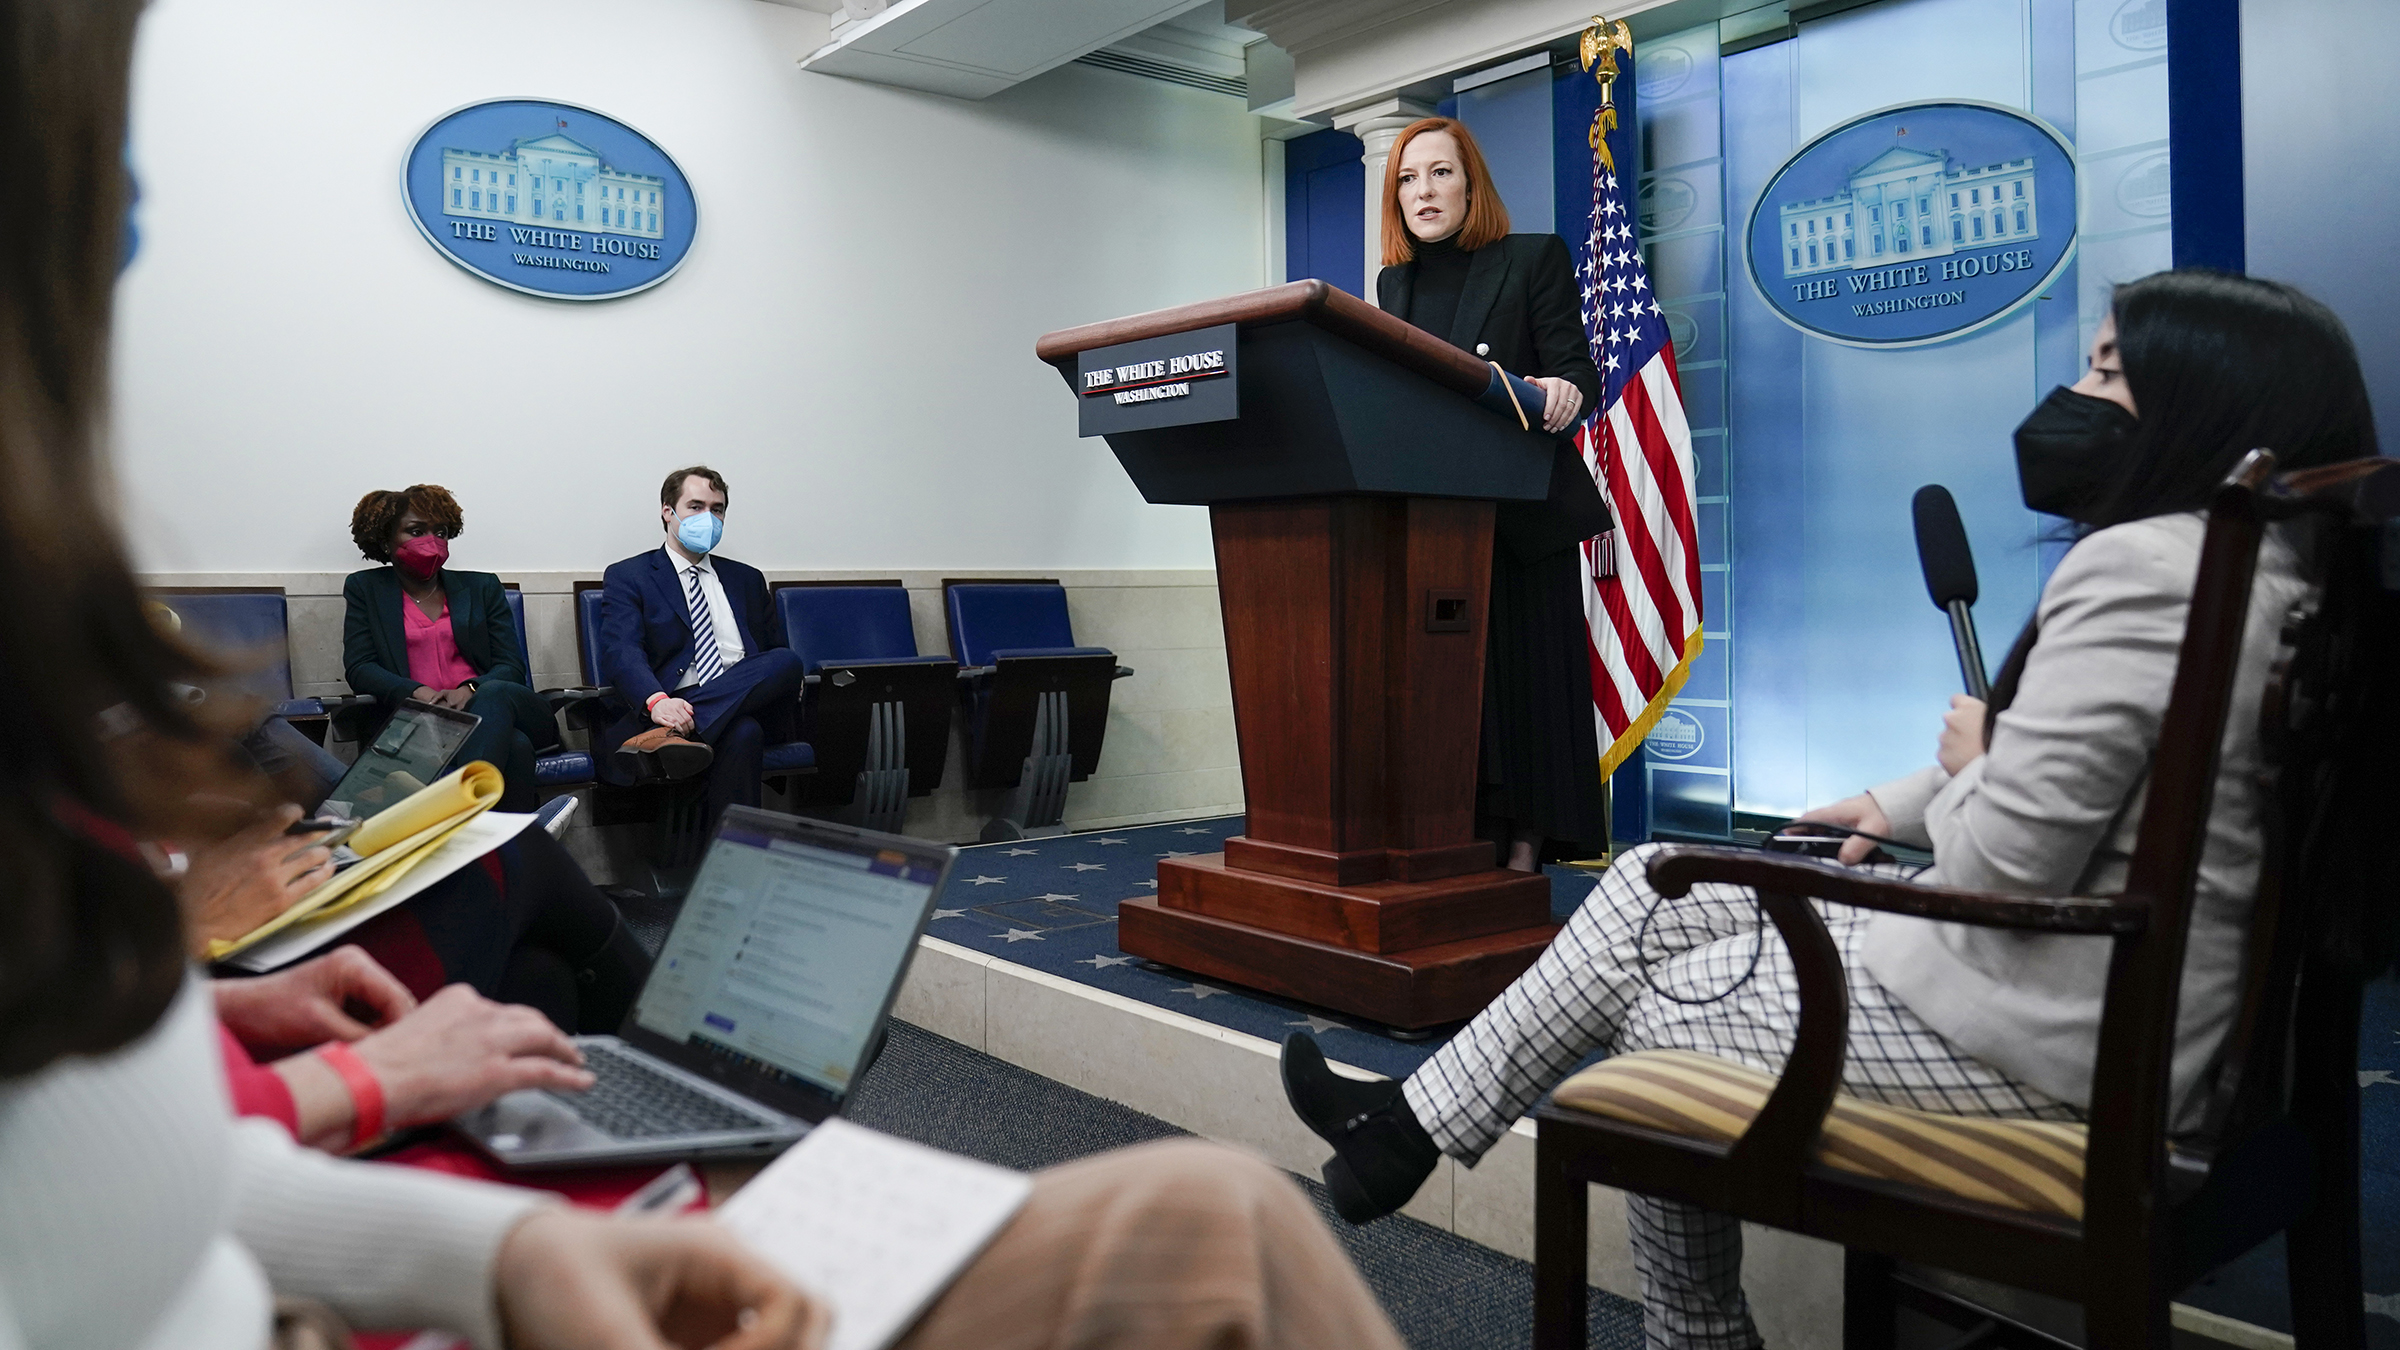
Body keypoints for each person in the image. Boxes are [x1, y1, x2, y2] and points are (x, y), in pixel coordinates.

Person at [3, 8, 1410, 1347]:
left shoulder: (736, 581)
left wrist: (440, 1197)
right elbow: (596, 675)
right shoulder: (604, 581)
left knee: (746, 700)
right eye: (101, 157)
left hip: (379, 1189)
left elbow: (105, 1194)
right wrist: (362, 1103)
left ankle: (687, 982)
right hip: (606, 763)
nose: (131, 207)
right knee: (1219, 1224)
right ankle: (679, 985)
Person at [1282, 269, 2377, 1349]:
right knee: (1656, 876)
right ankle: (1408, 1126)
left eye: (2105, 372)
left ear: (2203, 404)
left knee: (1655, 1019)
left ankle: (1688, 1330)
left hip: (2065, 1034)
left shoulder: (2143, 571)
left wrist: (1983, 753)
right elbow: (2109, 781)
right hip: (2142, 1003)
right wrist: (1886, 800)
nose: (2075, 396)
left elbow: (2002, 862)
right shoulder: (2275, 568)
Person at [1376, 116, 1612, 870]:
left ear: (1471, 184)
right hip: (1436, 517)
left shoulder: (1532, 257)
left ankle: (1526, 845)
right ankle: (1462, 831)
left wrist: (1561, 390)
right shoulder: (1393, 283)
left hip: (1519, 514)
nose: (1424, 192)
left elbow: (1580, 370)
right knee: (1461, 687)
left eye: (1440, 173)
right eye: (1408, 180)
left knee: (1528, 683)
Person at [595, 466, 807, 834]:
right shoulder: (630, 575)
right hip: (671, 702)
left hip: (743, 695)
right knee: (742, 733)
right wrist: (657, 701)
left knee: (786, 661)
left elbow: (772, 656)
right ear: (667, 512)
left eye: (717, 508)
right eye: (695, 506)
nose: (708, 517)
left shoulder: (747, 579)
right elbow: (620, 651)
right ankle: (730, 869)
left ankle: (679, 736)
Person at [342, 485, 562, 813]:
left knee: (494, 693)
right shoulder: (366, 589)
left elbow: (511, 665)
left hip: (504, 709)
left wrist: (471, 689)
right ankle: (509, 843)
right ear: (386, 538)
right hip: (426, 724)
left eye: (440, 532)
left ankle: (460, 812)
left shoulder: (481, 586)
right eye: (416, 531)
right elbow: (360, 666)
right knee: (516, 747)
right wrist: (418, 692)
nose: (431, 541)